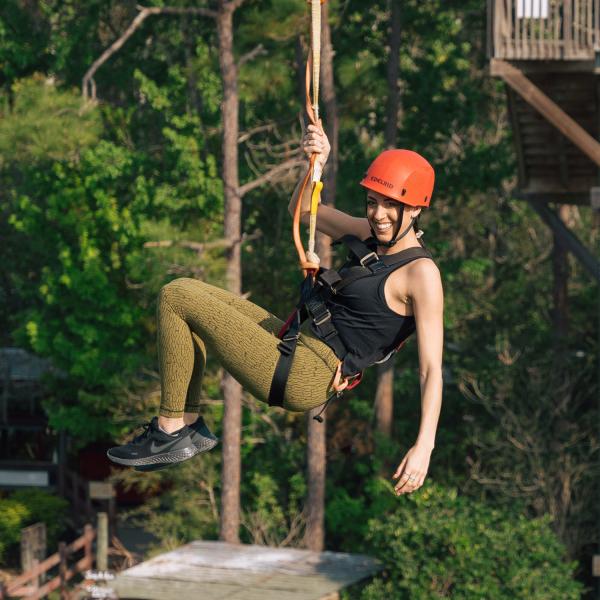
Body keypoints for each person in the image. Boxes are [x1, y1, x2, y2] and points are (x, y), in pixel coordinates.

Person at [107, 124, 444, 496]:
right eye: (372, 202)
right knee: (188, 301)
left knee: (177, 295)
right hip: (292, 340)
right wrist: (316, 167)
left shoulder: (421, 274)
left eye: (391, 205)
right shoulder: (370, 235)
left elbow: (431, 370)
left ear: (415, 208)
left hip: (305, 372)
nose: (379, 215)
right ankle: (186, 422)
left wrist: (423, 446)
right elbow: (300, 210)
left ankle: (170, 430)